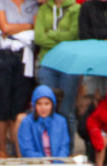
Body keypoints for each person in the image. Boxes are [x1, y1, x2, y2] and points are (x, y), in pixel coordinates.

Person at [0, 0, 36, 154]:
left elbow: (36, 25)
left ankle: (18, 153)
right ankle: (2, 152)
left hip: (25, 56)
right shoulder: (1, 2)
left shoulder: (33, 3)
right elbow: (4, 27)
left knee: (18, 106)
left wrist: (14, 29)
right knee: (2, 105)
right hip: (3, 56)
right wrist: (28, 26)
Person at [33, 0, 79, 141]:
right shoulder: (43, 9)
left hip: (69, 64)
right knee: (46, 108)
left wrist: (51, 34)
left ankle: (68, 151)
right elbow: (39, 37)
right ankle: (48, 149)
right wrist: (60, 37)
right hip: (47, 63)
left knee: (66, 110)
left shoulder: (76, 8)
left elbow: (72, 36)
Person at [17, 84, 69, 158]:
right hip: (35, 165)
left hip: (58, 165)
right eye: (39, 104)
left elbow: (64, 148)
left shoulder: (61, 121)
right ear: (34, 105)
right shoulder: (26, 122)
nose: (43, 108)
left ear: (52, 105)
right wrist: (45, 161)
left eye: (46, 104)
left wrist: (57, 163)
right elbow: (27, 150)